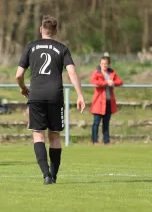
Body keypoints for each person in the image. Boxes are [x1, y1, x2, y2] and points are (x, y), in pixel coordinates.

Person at [15, 15, 85, 185]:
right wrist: (80, 95)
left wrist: (23, 88)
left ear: (41, 30)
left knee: (38, 135)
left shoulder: (31, 47)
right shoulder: (62, 48)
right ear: (56, 31)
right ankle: (53, 175)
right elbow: (72, 73)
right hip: (55, 96)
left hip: (36, 95)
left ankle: (46, 174)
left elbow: (18, 74)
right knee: (54, 136)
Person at [90, 56, 123, 145]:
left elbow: (120, 81)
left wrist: (113, 83)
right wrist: (106, 83)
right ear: (100, 64)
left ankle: (106, 141)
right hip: (98, 102)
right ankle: (95, 141)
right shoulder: (96, 72)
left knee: (106, 123)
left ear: (108, 64)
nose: (104, 65)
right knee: (96, 123)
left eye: (106, 63)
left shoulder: (112, 73)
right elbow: (93, 82)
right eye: (102, 63)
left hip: (108, 102)